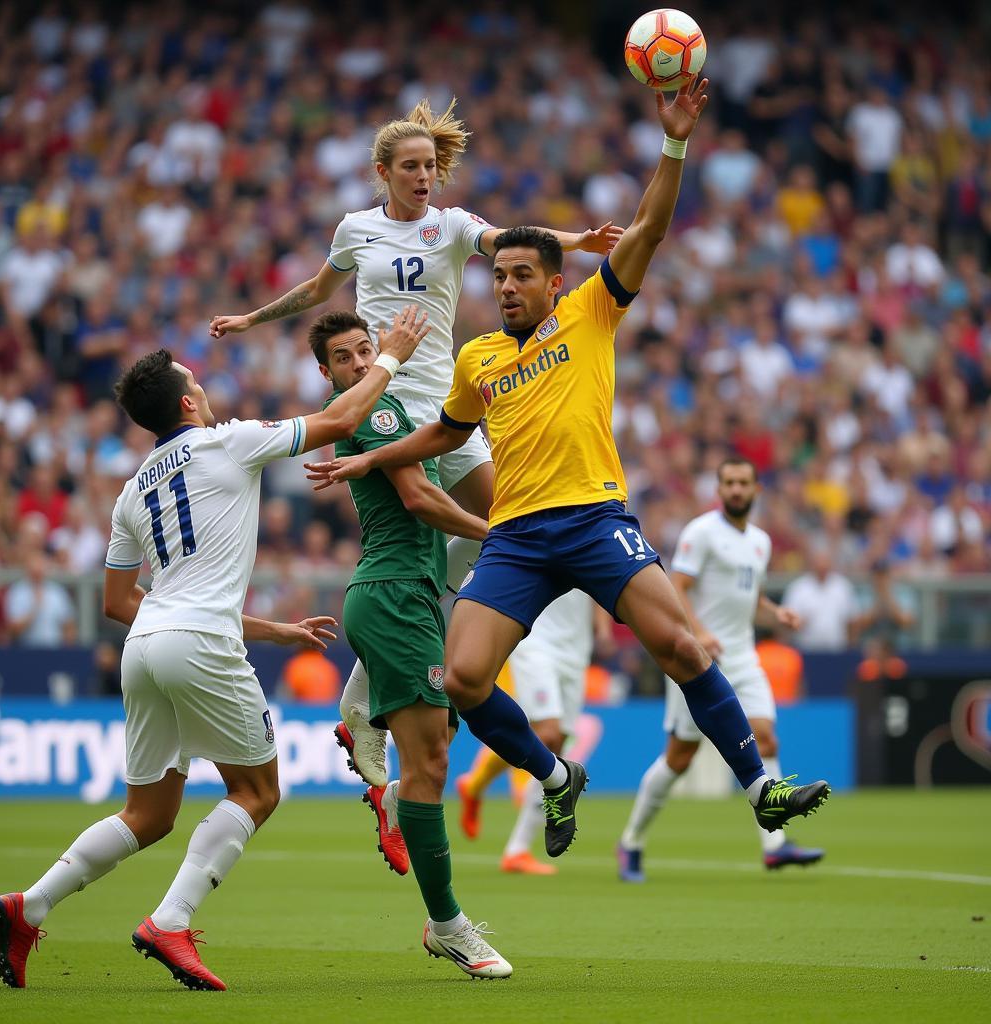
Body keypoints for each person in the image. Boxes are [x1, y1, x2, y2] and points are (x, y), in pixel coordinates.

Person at [309, 79, 831, 866]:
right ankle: (556, 776)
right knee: (463, 679)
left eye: (523, 275)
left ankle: (763, 792)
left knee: (685, 650)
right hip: (517, 536)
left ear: (555, 282)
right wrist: (371, 457)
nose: (508, 286)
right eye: (500, 276)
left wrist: (675, 142)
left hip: (593, 519)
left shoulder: (591, 313)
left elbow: (650, 227)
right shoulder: (476, 358)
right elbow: (442, 436)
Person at [0, 307, 428, 992]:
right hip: (196, 644)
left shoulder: (132, 491)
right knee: (257, 790)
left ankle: (31, 904)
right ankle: (171, 919)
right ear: (191, 400)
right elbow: (341, 426)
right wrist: (391, 358)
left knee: (148, 814)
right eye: (198, 381)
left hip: (146, 647)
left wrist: (267, 630)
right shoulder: (230, 441)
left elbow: (117, 602)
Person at [209, 99, 620, 789]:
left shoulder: (453, 227)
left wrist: (576, 243)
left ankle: (379, 689)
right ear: (383, 172)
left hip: (452, 407)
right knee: (424, 524)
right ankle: (377, 698)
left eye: (431, 165)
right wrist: (253, 317)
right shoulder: (356, 229)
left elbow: (513, 240)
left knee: (505, 524)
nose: (425, 176)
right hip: (389, 397)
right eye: (411, 167)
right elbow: (318, 287)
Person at [309, 310, 510, 978]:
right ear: (327, 373)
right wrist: (496, 534)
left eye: (367, 349)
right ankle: (448, 925)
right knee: (430, 766)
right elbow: (421, 499)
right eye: (344, 357)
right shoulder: (374, 413)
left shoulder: (382, 407)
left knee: (435, 755)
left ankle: (383, 768)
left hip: (410, 595)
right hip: (393, 594)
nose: (362, 362)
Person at [617, 458, 825, 881]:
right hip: (697, 658)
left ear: (756, 489)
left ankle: (775, 845)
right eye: (728, 482)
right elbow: (677, 589)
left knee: (766, 736)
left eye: (742, 482)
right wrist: (700, 632)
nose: (735, 489)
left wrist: (773, 611)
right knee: (679, 757)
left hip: (745, 657)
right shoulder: (701, 533)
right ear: (719, 488)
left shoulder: (760, 542)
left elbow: (747, 593)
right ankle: (632, 841)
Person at [455, 589, 599, 876]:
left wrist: (603, 624)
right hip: (536, 641)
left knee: (555, 744)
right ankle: (517, 849)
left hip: (577, 649)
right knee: (548, 735)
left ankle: (476, 786)